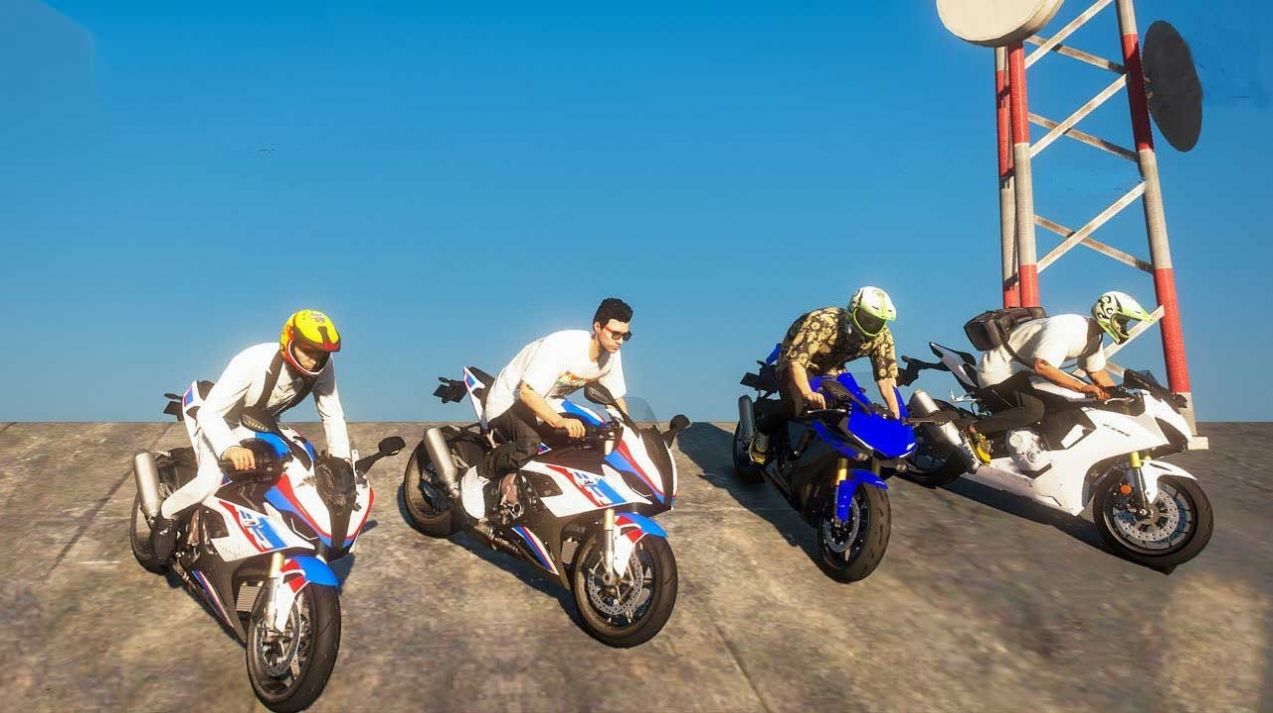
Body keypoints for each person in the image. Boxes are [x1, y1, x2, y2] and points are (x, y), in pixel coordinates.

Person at [150, 309, 351, 560]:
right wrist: (229, 448)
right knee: (209, 483)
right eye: (308, 351)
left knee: (292, 473)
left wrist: (342, 464)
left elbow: (332, 415)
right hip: (220, 418)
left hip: (260, 422)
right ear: (288, 341)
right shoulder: (252, 361)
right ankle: (167, 515)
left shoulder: (323, 366)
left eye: (320, 354)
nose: (313, 361)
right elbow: (209, 413)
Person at [478, 298, 631, 520]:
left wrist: (628, 431)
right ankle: (480, 475)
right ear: (597, 327)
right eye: (615, 334)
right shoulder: (562, 347)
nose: (620, 341)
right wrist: (559, 422)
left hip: (546, 403)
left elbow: (615, 399)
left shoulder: (612, 356)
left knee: (590, 438)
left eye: (626, 335)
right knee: (529, 444)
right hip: (508, 400)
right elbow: (527, 393)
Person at [965, 290, 1152, 463]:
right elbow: (1042, 366)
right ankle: (974, 431)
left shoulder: (1094, 335)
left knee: (1070, 405)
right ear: (1108, 314)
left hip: (1022, 375)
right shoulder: (1067, 329)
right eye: (1122, 320)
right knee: (1033, 411)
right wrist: (1082, 388)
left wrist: (1120, 395)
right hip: (998, 372)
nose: (1124, 326)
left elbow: (1096, 371)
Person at [750, 286, 900, 465]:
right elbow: (796, 362)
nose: (872, 325)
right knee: (798, 405)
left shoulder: (882, 336)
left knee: (853, 407)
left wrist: (895, 413)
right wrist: (807, 392)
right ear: (853, 309)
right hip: (796, 360)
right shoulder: (823, 322)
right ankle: (763, 431)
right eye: (867, 318)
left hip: (832, 368)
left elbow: (886, 379)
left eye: (878, 321)